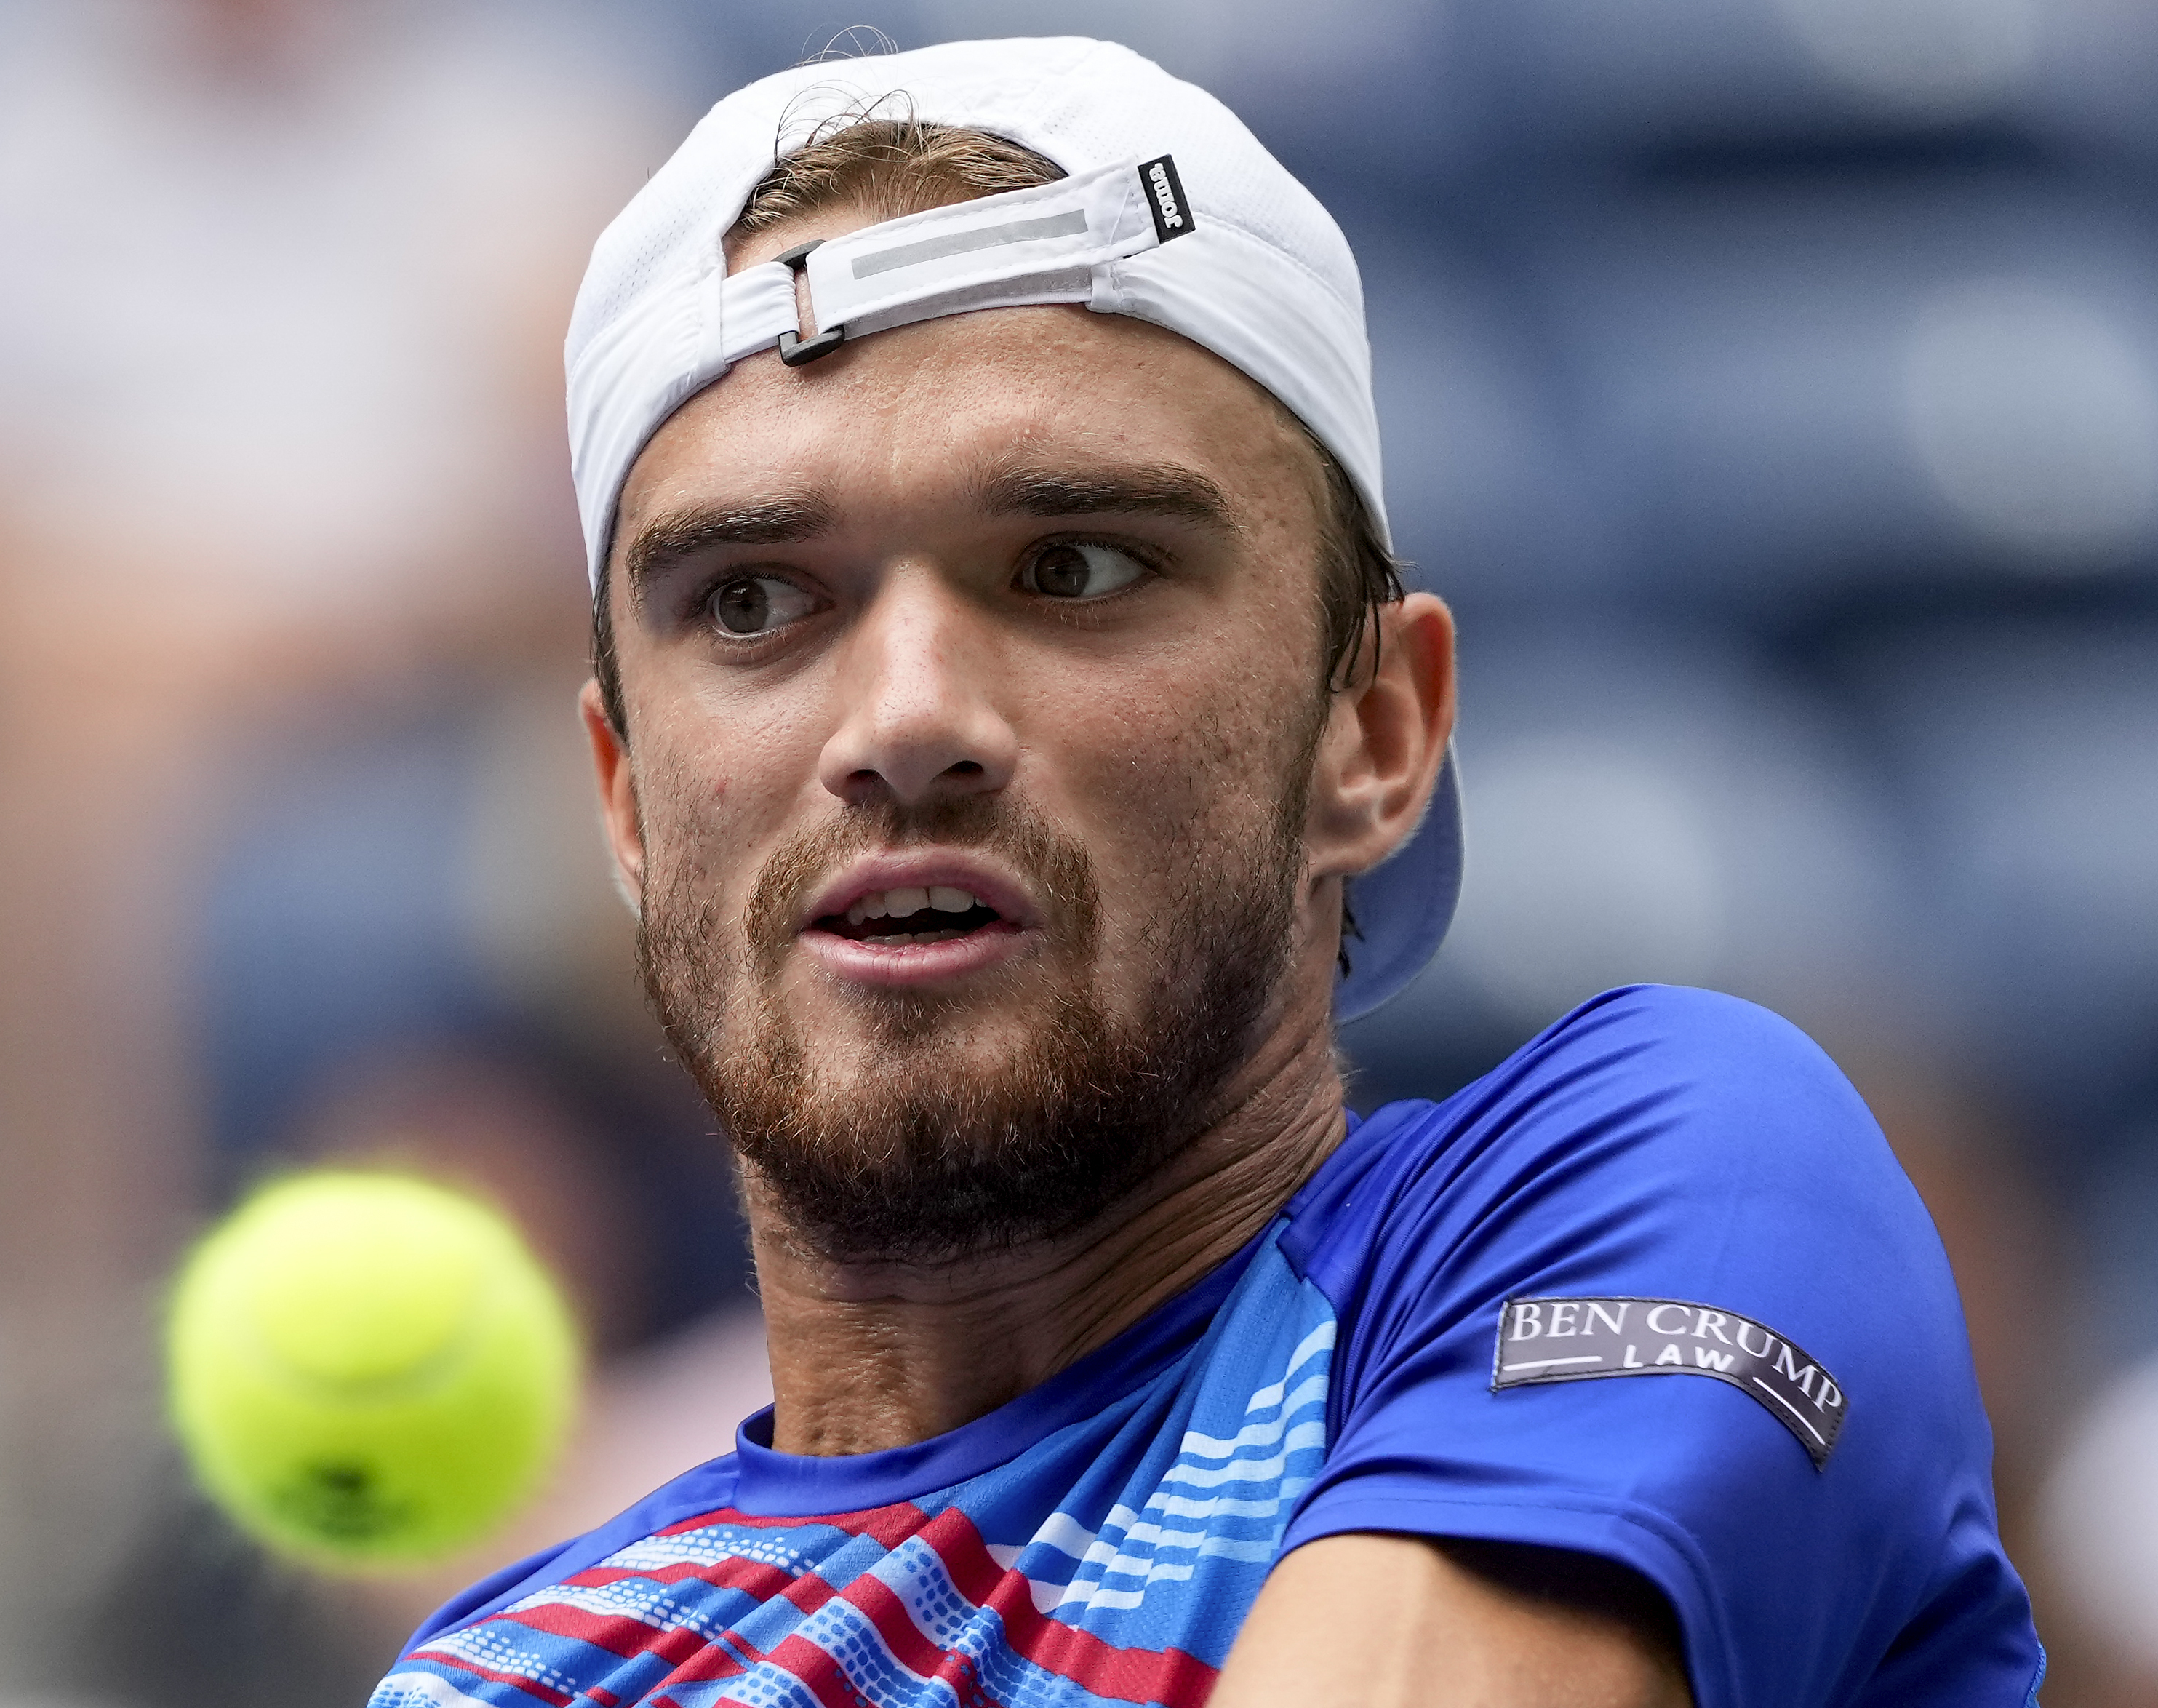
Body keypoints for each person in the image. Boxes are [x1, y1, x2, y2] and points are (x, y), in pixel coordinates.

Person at [370, 37, 2042, 1708]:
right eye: (749, 600)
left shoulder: (1673, 1181)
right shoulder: (510, 1678)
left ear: (1374, 731)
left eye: (1074, 566)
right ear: (624, 799)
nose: (904, 719)